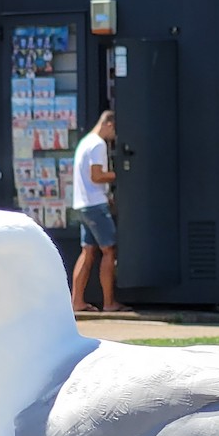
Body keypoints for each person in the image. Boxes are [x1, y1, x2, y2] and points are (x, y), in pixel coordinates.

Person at [70, 110, 126, 312]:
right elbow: (96, 176)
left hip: (83, 204)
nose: (114, 137)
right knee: (109, 250)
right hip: (95, 205)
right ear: (109, 124)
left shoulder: (85, 142)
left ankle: (76, 301)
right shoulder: (98, 144)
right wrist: (120, 173)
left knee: (88, 251)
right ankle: (109, 303)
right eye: (115, 131)